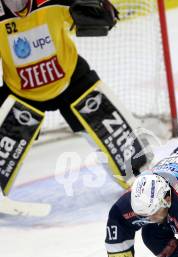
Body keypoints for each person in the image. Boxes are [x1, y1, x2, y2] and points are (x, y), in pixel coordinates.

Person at [0, 0, 150, 198]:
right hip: (20, 92)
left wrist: (104, 11)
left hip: (71, 81)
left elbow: (102, 15)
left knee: (132, 159)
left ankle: (139, 177)